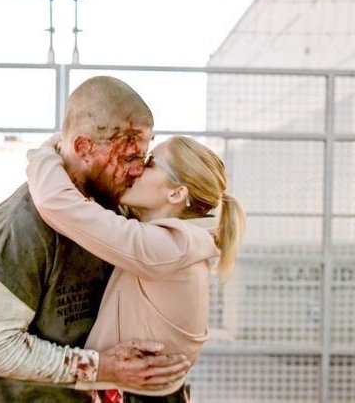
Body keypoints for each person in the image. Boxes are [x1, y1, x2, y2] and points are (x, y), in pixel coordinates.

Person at [0, 76, 191, 403]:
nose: (137, 171)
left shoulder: (120, 205)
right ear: (84, 148)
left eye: (142, 159)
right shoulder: (19, 226)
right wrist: (102, 368)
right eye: (127, 158)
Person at [26, 134, 246, 402]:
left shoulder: (167, 248)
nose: (137, 168)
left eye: (150, 163)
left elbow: (56, 203)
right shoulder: (175, 241)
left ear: (176, 193)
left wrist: (49, 149)